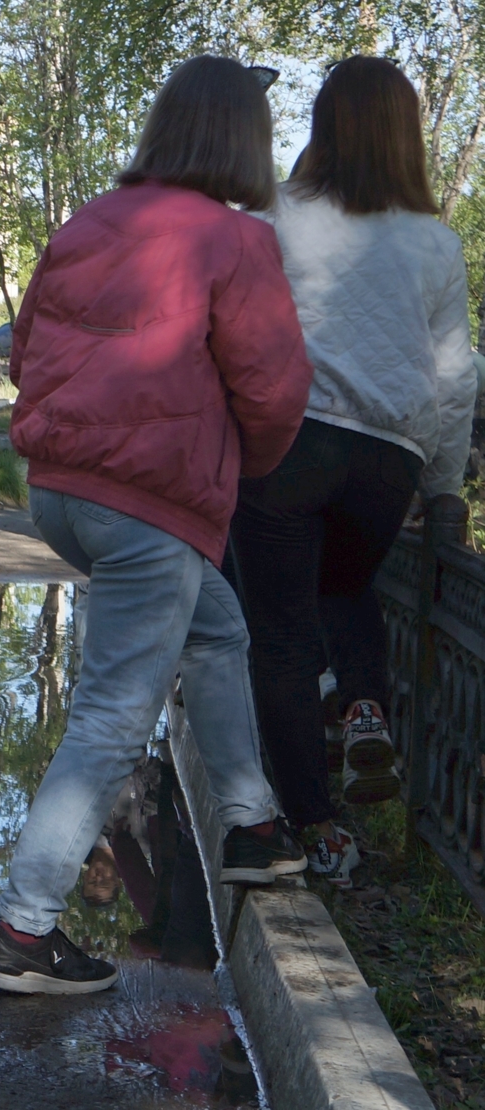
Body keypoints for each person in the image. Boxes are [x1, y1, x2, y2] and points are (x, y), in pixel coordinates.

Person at [0, 56, 314, 996]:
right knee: (111, 725)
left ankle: (248, 823)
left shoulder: (91, 220)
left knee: (218, 630)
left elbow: (29, 343)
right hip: (148, 508)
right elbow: (275, 387)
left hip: (65, 493)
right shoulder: (236, 239)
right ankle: (23, 931)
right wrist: (241, 468)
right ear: (246, 139)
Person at [227, 57, 476, 887]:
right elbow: (454, 378)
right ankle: (365, 701)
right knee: (343, 582)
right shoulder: (437, 244)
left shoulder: (275, 214)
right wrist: (445, 489)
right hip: (388, 461)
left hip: (290, 447)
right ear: (407, 137)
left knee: (284, 638)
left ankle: (320, 829)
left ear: (321, 127)